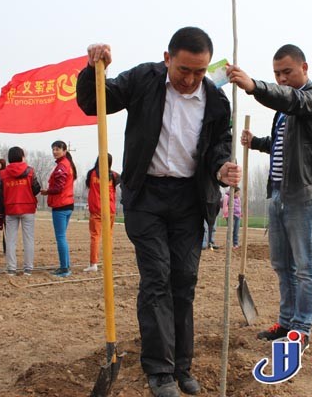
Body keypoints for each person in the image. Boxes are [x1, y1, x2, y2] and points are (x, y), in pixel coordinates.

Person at [77, 26, 241, 397]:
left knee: (184, 279)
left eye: (200, 72)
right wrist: (94, 68)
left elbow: (219, 146)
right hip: (147, 196)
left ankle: (182, 365)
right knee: (157, 278)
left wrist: (221, 169)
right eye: (184, 70)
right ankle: (160, 370)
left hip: (189, 199)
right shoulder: (144, 80)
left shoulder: (216, 101)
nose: (191, 79)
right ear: (167, 59)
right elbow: (94, 101)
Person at [228, 44, 312, 350]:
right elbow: (280, 143)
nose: (282, 79)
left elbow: (293, 100)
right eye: (276, 74)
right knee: (282, 264)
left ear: (304, 67)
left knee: (305, 266)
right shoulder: (284, 111)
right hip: (278, 193)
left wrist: (254, 86)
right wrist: (255, 142)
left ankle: (301, 328)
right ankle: (286, 322)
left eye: (287, 72)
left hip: (305, 194)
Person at [0, 147, 41, 276]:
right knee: (28, 239)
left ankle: (11, 268)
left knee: (10, 240)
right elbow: (36, 189)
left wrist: (0, 212)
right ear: (22, 157)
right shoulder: (30, 171)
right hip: (28, 208)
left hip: (10, 209)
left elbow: (1, 195)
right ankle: (28, 268)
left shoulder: (3, 174)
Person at [40, 141, 76, 278]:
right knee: (62, 237)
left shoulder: (62, 166)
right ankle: (66, 265)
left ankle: (64, 268)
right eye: (53, 149)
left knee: (60, 237)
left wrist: (47, 191)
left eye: (58, 149)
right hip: (67, 203)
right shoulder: (68, 164)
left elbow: (59, 187)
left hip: (61, 205)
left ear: (64, 151)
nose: (55, 152)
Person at [84, 153, 120, 272]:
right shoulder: (114, 175)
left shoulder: (91, 174)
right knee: (108, 236)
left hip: (96, 209)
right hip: (110, 209)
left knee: (95, 236)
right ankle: (107, 262)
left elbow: (88, 185)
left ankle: (93, 264)